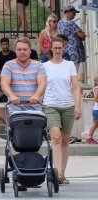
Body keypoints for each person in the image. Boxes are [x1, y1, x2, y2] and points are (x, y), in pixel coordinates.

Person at [42, 37, 81, 185]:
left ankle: (62, 173)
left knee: (65, 140)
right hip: (51, 105)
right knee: (56, 138)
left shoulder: (69, 65)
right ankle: (56, 172)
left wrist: (77, 106)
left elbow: (76, 87)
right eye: (55, 48)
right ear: (51, 49)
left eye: (60, 48)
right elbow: (42, 86)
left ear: (64, 48)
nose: (58, 50)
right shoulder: (45, 66)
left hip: (68, 105)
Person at [1, 37, 46, 115]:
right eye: (19, 49)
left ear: (30, 51)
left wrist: (36, 95)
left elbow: (42, 84)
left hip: (35, 109)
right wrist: (12, 96)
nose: (22, 52)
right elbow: (4, 84)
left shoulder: (39, 65)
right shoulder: (8, 65)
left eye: (25, 49)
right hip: (15, 110)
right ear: (15, 51)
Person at [58, 5, 86, 71]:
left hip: (65, 51)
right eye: (74, 13)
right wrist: (83, 34)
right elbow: (81, 35)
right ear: (68, 12)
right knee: (74, 72)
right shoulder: (71, 23)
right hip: (74, 51)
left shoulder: (60, 23)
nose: (75, 15)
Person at [85, 74, 98, 144]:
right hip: (97, 110)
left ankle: (90, 137)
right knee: (95, 124)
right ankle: (89, 137)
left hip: (96, 110)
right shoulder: (97, 88)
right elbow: (96, 98)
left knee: (96, 124)